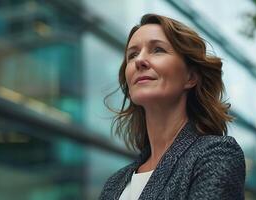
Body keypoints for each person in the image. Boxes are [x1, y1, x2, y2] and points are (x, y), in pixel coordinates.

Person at [99, 14, 245, 200]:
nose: (139, 61)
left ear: (190, 77)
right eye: (132, 54)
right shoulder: (114, 183)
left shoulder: (216, 154)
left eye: (157, 50)